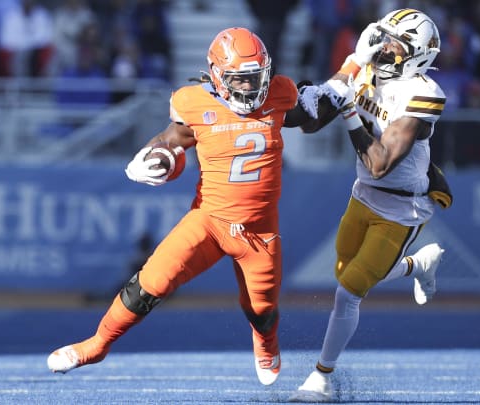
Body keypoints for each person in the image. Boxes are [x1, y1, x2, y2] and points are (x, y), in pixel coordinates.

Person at [47, 26, 321, 385]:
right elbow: (169, 141)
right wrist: (152, 157)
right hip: (208, 222)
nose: (250, 88)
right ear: (219, 76)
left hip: (259, 231)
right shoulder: (194, 102)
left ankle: (265, 342)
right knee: (149, 284)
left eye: (256, 78)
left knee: (262, 311)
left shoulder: (281, 92)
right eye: (240, 80)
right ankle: (97, 344)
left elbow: (306, 117)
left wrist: (327, 95)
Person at [288, 8, 451, 402]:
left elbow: (378, 163)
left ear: (417, 54)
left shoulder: (422, 93)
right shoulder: (366, 71)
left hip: (402, 208)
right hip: (363, 194)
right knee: (345, 269)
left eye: (395, 43)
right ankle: (418, 265)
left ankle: (321, 378)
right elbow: (309, 122)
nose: (384, 48)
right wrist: (349, 67)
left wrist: (347, 111)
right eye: (382, 37)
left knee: (349, 291)